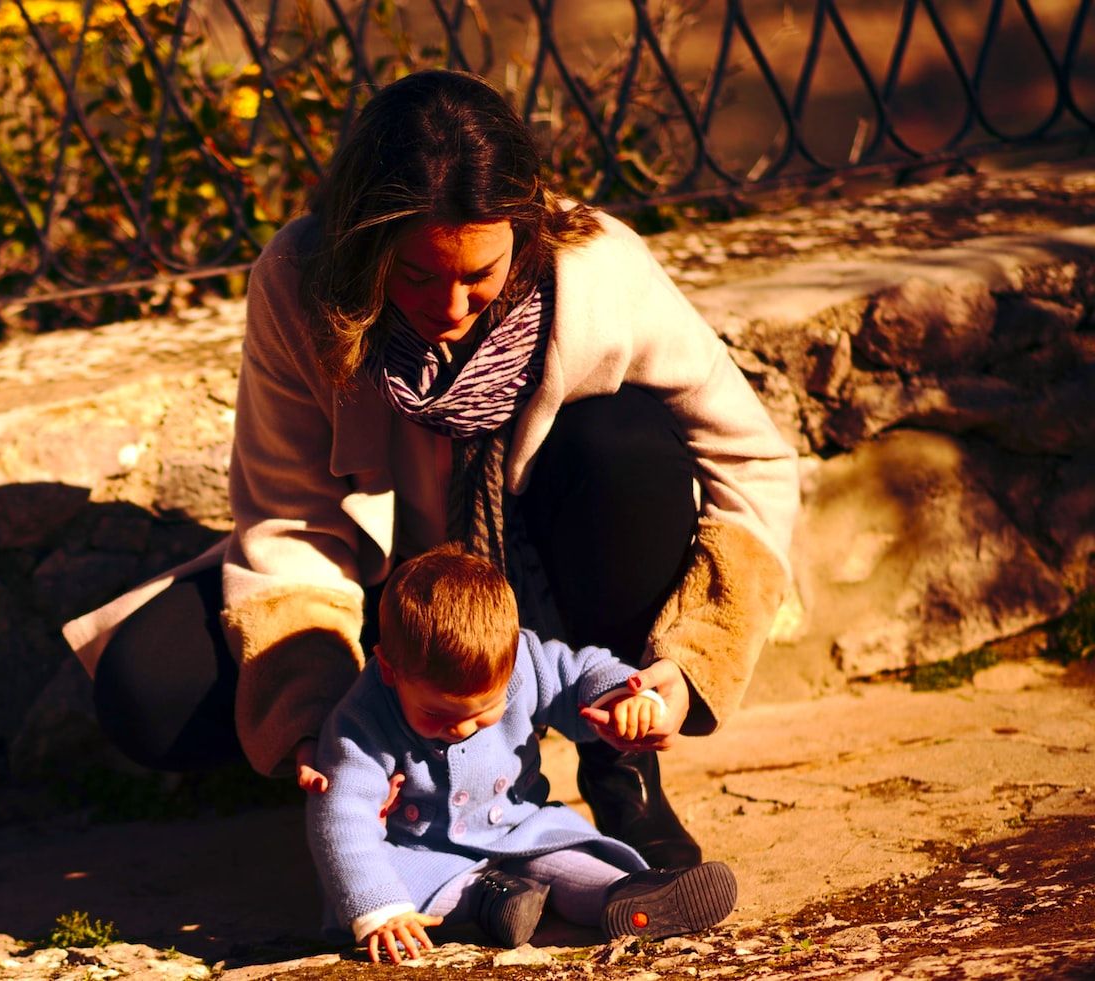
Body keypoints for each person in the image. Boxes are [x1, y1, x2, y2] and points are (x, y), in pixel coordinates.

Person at [63, 69, 798, 868]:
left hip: (562, 576)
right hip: (401, 596)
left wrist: (685, 670)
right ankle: (396, 768)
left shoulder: (597, 271)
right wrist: (320, 724)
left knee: (622, 439)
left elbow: (750, 456)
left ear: (522, 230)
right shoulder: (300, 282)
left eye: (478, 276)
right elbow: (289, 518)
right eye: (415, 274)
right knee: (148, 687)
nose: (449, 309)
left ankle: (623, 771)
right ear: (362, 240)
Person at [302, 544, 738, 963]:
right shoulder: (361, 720)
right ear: (389, 670)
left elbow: (579, 672)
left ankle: (628, 894)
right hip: (424, 854)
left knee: (566, 863)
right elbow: (343, 815)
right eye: (437, 714)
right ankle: (487, 902)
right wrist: (380, 908)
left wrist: (625, 697)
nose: (461, 728)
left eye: (485, 711)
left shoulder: (523, 660)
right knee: (419, 891)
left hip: (519, 829)